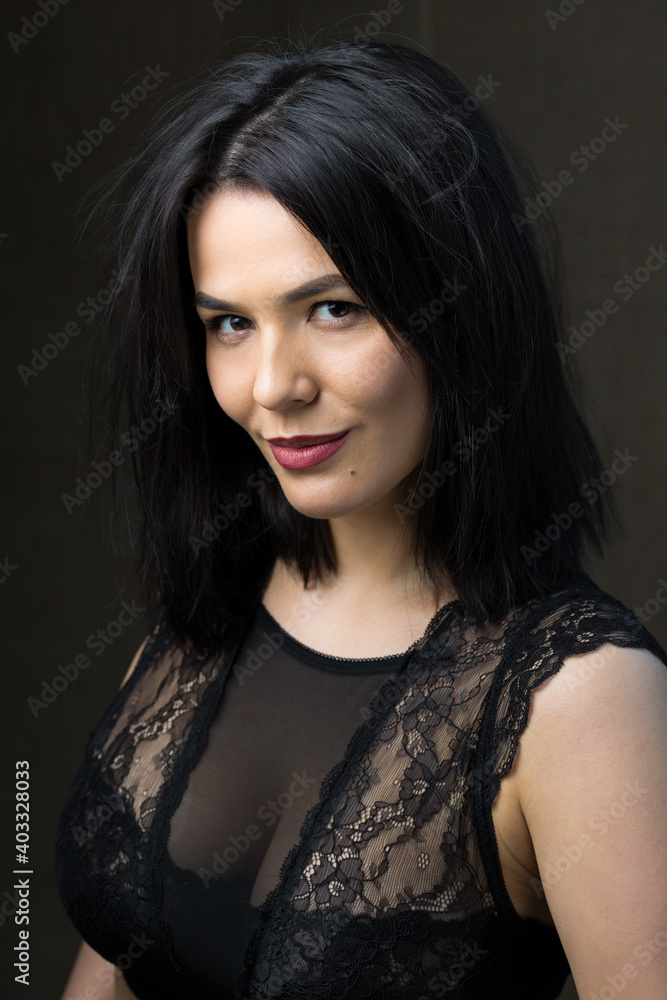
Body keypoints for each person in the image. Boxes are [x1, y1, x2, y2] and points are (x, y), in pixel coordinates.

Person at [55, 35, 667, 1000]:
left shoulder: (578, 699)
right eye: (230, 323)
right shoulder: (212, 604)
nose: (272, 387)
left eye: (332, 309)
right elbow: (124, 956)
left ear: (458, 310)